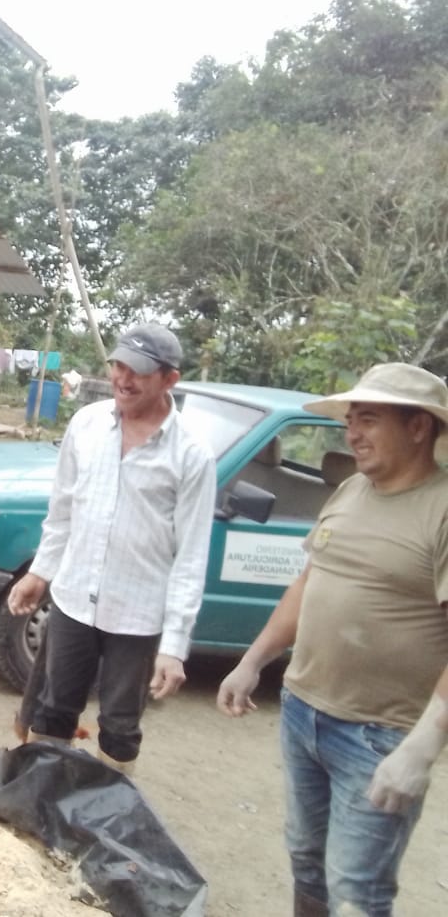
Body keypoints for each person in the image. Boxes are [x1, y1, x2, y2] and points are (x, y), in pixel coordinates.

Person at [217, 362, 448, 917]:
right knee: (306, 861)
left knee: (356, 892)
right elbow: (308, 582)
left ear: (419, 427)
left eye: (368, 420)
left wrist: (421, 748)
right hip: (303, 711)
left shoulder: (442, 509)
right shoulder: (351, 490)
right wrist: (253, 660)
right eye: (350, 421)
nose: (352, 434)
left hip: (380, 734)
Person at [7, 323, 217, 773]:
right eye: (119, 365)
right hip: (73, 599)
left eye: (138, 371)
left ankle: (105, 806)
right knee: (52, 709)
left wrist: (174, 645)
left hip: (137, 616)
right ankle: (41, 796)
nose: (123, 378)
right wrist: (40, 572)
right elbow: (63, 509)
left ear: (169, 379)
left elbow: (191, 556)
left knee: (120, 727)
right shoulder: (86, 424)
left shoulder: (192, 454)